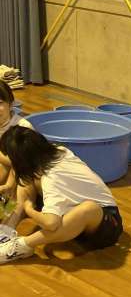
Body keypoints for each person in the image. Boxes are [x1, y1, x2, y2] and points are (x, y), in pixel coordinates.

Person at [0, 126, 123, 263]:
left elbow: (51, 223)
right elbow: (18, 166)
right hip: (68, 212)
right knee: (24, 177)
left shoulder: (52, 179)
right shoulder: (56, 151)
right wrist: (9, 185)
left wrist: (29, 209)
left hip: (106, 224)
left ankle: (22, 246)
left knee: (89, 209)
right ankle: (6, 230)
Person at [0, 80, 33, 197]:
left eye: (0, 103)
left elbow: (23, 163)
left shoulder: (22, 127)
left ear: (10, 104)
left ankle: (11, 202)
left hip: (21, 174)